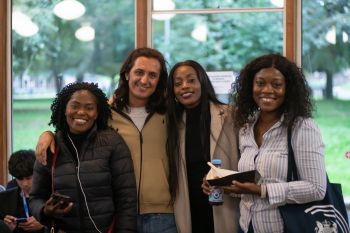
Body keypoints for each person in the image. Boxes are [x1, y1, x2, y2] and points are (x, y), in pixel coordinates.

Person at [35, 48, 178, 233]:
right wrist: (48, 134)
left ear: (159, 80)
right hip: (118, 214)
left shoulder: (172, 112)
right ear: (127, 74)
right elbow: (73, 131)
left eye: (152, 75)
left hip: (162, 213)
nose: (144, 80)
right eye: (139, 72)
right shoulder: (105, 112)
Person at [226, 53, 327, 233]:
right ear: (251, 86)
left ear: (288, 89)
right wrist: (223, 185)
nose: (267, 90)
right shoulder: (246, 127)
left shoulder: (302, 127)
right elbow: (250, 181)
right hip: (246, 225)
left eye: (276, 85)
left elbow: (316, 188)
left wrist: (262, 190)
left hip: (284, 227)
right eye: (260, 83)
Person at [29, 82, 137, 233]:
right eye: (75, 106)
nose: (81, 112)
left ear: (97, 113)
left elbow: (127, 200)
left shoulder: (112, 143)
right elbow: (35, 198)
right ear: (64, 109)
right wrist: (44, 211)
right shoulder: (50, 147)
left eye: (89, 107)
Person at [167, 60, 240, 233]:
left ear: (202, 82)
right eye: (178, 84)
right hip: (189, 208)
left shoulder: (230, 115)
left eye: (191, 80)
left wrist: (223, 179)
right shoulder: (173, 123)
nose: (185, 86)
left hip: (225, 205)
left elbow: (247, 162)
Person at [0, 150, 45, 233]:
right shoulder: (3, 200)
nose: (25, 184)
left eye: (29, 178)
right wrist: (6, 229)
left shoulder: (51, 197)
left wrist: (45, 224)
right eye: (20, 179)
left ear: (38, 173)